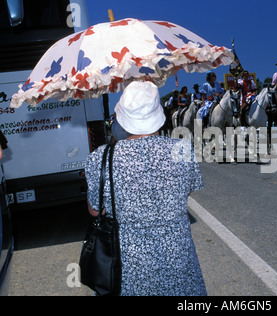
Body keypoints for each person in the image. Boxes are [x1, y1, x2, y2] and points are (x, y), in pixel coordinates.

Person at [85, 81, 207, 296]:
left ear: (121, 118)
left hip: (128, 263)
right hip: (177, 257)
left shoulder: (102, 157)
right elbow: (186, 190)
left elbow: (96, 210)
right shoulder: (182, 149)